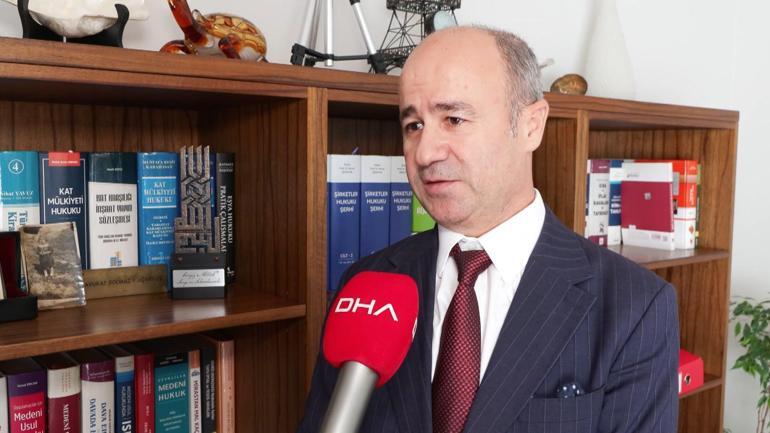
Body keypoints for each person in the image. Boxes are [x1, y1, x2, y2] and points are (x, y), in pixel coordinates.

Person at [299, 25, 679, 433]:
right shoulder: (365, 285)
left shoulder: (635, 305)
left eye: (454, 119)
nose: (424, 153)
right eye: (414, 126)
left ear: (531, 126)